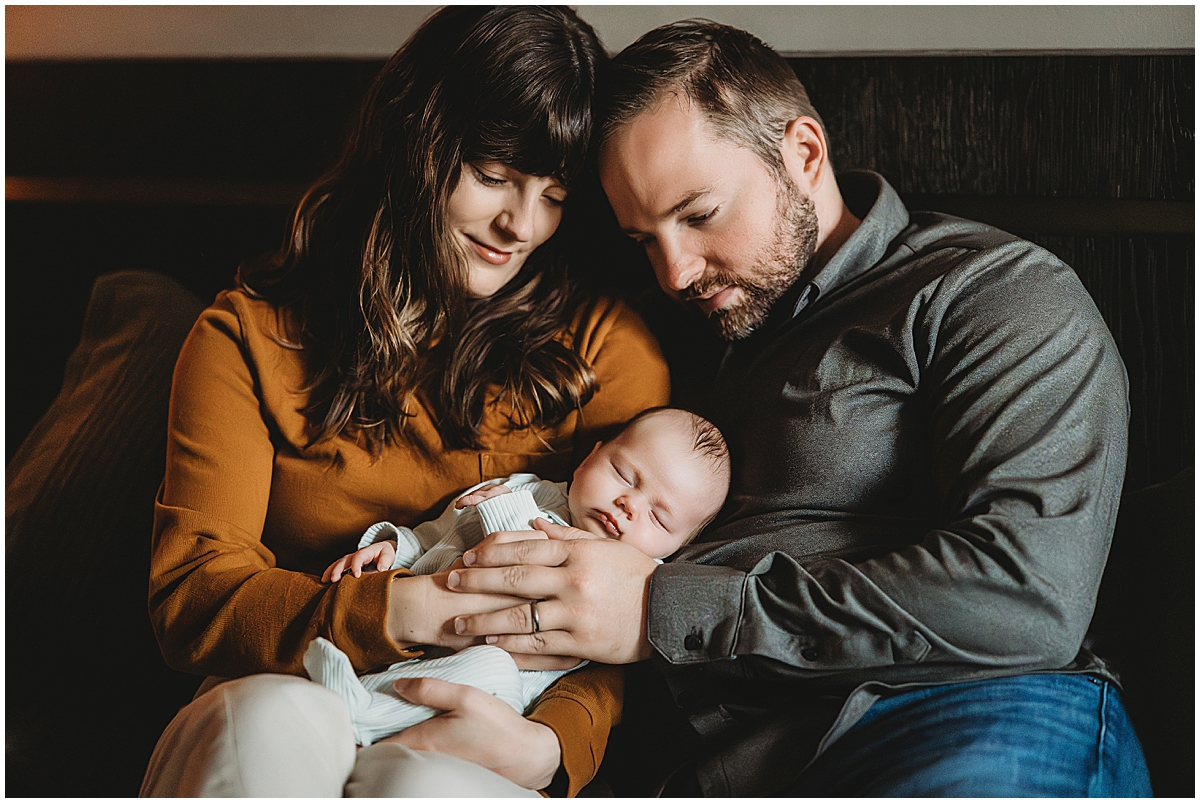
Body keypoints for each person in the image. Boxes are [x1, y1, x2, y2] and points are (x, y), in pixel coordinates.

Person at [445, 19, 1153, 797]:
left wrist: (662, 606)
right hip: (720, 761)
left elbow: (1024, 600)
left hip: (958, 712)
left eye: (699, 214)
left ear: (804, 154)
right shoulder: (685, 329)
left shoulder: (988, 291)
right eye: (644, 237)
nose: (675, 270)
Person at [140, 7, 671, 798]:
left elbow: (627, 613)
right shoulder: (248, 337)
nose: (520, 224)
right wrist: (415, 607)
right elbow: (194, 596)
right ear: (418, 143)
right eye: (493, 174)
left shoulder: (604, 352)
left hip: (491, 716)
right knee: (269, 727)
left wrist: (553, 746)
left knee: (424, 786)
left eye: (553, 194)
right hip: (287, 690)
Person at [307, 407, 730, 748]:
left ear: (675, 548)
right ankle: (351, 693)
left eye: (658, 517)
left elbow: (515, 577)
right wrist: (394, 546)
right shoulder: (528, 489)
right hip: (406, 620)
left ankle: (363, 712)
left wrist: (503, 507)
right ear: (590, 456)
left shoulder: (631, 578)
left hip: (502, 675)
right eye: (623, 474)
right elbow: (437, 532)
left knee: (488, 673)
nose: (628, 504)